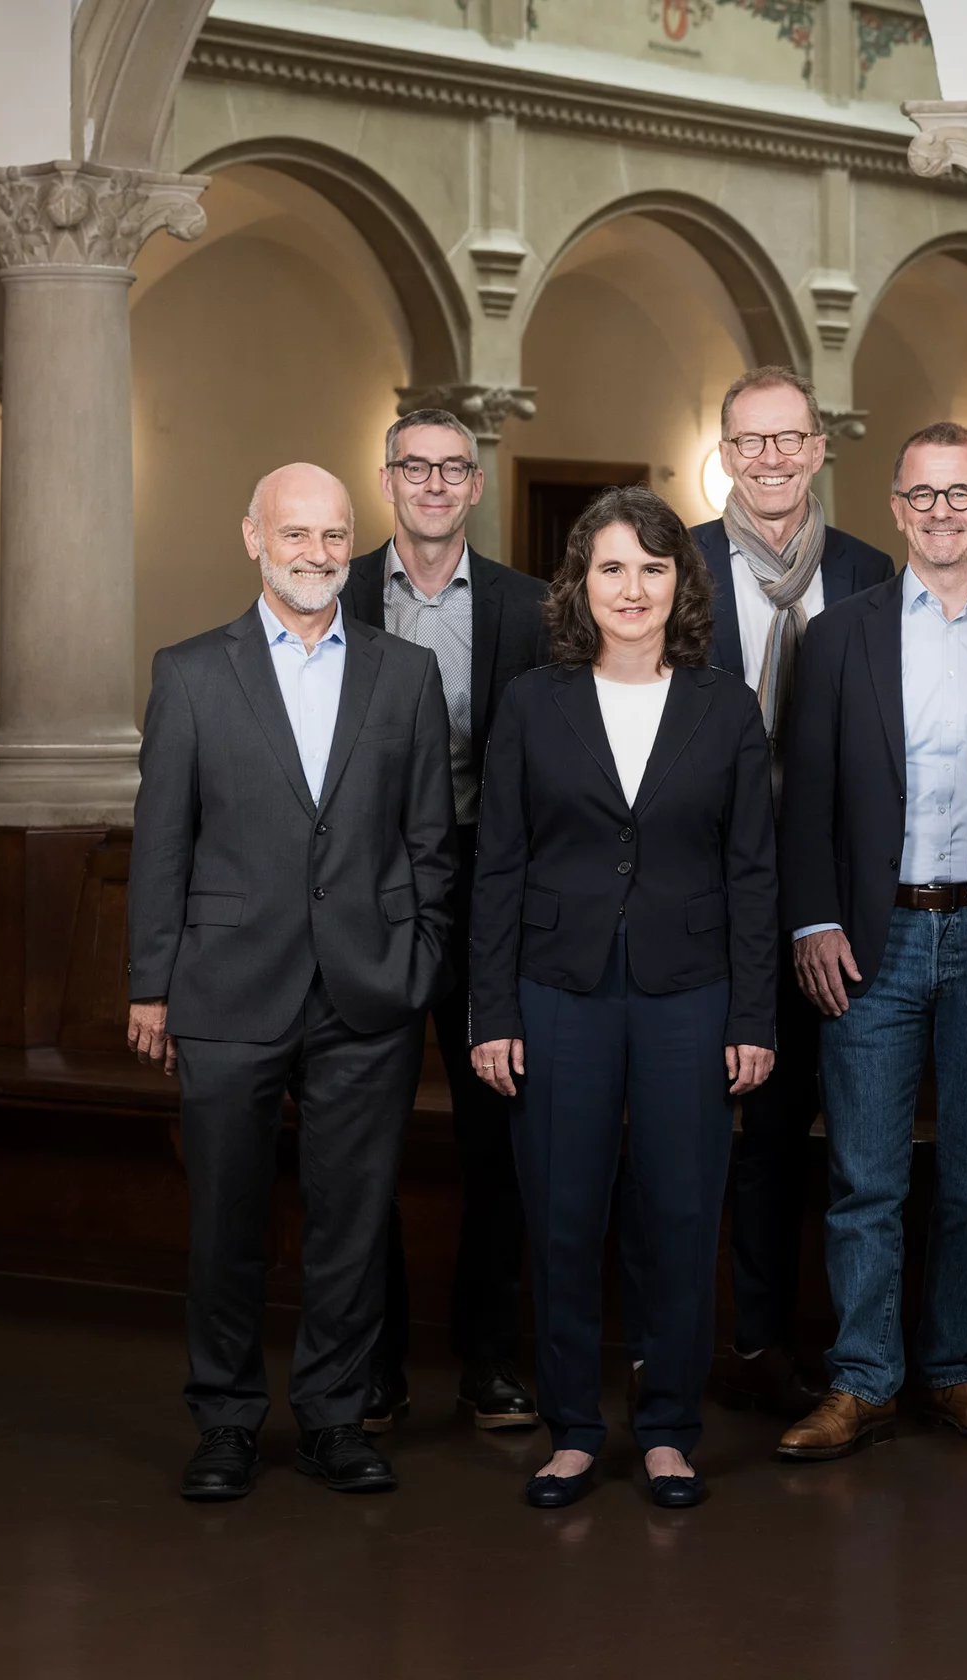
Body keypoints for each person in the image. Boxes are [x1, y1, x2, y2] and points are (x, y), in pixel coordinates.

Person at [129, 463, 456, 1502]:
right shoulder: (189, 672)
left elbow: (430, 840)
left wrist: (419, 953)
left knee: (352, 1219)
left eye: (333, 536)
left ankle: (332, 1415)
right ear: (252, 537)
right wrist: (151, 984)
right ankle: (225, 1420)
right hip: (225, 986)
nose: (316, 555)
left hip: (368, 990)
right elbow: (161, 841)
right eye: (295, 535)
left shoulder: (403, 675)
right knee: (226, 1217)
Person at [468, 484, 777, 1510]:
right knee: (561, 1211)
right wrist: (493, 1013)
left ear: (680, 583)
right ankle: (570, 1430)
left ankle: (669, 1431)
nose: (632, 588)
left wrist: (751, 1020)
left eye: (653, 568)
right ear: (581, 583)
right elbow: (498, 866)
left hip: (691, 992)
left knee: (683, 1212)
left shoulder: (726, 706)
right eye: (612, 568)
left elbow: (751, 875)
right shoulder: (531, 702)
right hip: (555, 991)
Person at [774, 422, 967, 1460]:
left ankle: (959, 1371)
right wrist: (811, 916)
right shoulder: (840, 633)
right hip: (873, 936)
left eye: (962, 494)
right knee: (866, 1178)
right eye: (922, 495)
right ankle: (862, 1381)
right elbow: (806, 796)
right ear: (895, 508)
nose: (942, 513)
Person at [687, 366, 896, 1420]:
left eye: (789, 440)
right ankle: (739, 1342)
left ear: (821, 449)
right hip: (704, 910)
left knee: (828, 1138)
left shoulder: (868, 574)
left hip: (837, 912)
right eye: (749, 441)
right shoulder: (673, 566)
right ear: (725, 453)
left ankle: (829, 1352)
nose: (769, 459)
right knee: (726, 1142)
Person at [342, 407, 550, 1437]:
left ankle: (490, 1362)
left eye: (451, 468)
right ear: (387, 481)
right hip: (364, 895)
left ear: (476, 485)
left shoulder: (533, 607)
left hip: (490, 894)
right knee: (361, 1136)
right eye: (413, 467)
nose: (431, 484)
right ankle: (373, 1364)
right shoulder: (333, 598)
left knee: (496, 1140)